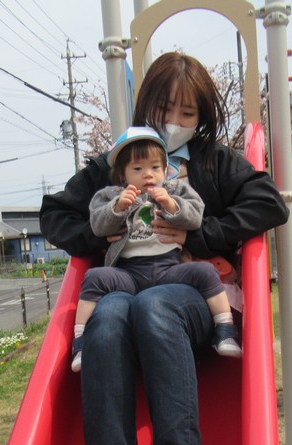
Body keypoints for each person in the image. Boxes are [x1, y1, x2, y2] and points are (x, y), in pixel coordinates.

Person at [39, 51, 289, 445]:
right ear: (144, 108)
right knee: (107, 318)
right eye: (163, 110)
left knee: (152, 307)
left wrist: (199, 236)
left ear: (201, 118)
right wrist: (102, 236)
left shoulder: (213, 163)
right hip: (126, 291)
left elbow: (269, 203)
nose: (174, 122)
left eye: (187, 113)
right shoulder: (119, 163)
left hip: (185, 298)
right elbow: (55, 214)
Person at [71, 125, 242, 373]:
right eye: (137, 169)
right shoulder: (110, 196)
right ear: (122, 175)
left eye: (154, 167)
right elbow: (97, 225)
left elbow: (195, 216)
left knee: (205, 272)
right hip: (129, 273)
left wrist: (171, 205)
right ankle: (81, 344)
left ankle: (225, 331)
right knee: (94, 277)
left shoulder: (175, 190)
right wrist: (116, 208)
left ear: (165, 170)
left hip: (169, 269)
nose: (147, 174)